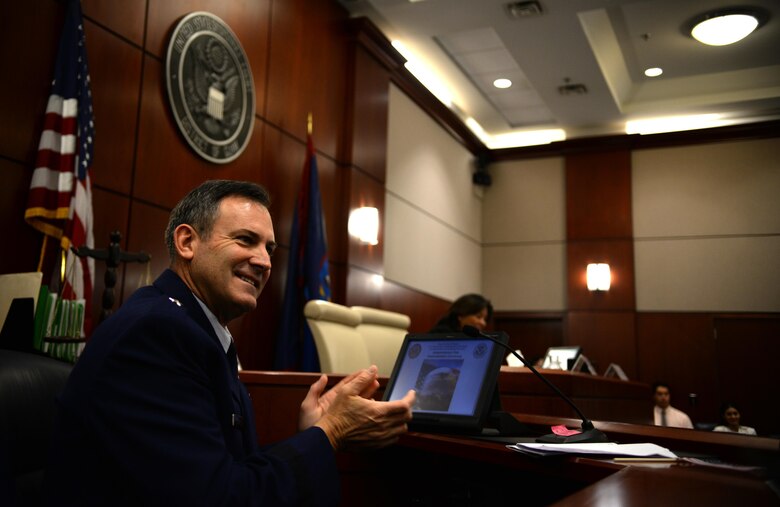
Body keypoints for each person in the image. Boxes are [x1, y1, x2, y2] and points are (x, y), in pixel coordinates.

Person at [44, 180, 415, 506]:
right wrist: (329, 433)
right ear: (187, 242)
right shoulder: (157, 335)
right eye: (245, 240)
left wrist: (313, 433)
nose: (264, 261)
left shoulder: (193, 327)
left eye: (270, 248)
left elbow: (227, 469)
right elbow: (220, 497)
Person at [429, 293, 493, 333]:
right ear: (461, 315)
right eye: (478, 316)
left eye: (485, 319)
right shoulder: (440, 334)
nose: (483, 323)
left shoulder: (480, 338)